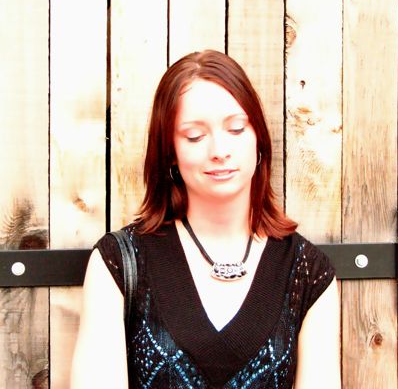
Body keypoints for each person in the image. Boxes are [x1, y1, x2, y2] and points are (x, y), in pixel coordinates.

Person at [71, 50, 340, 388]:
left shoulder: (308, 272)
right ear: (170, 151)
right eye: (195, 136)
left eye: (236, 129)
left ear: (258, 138)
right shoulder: (119, 263)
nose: (219, 150)